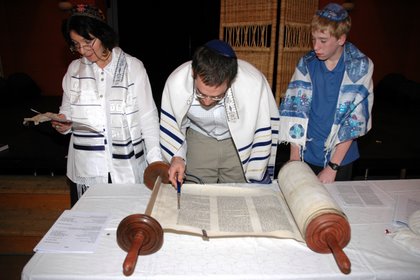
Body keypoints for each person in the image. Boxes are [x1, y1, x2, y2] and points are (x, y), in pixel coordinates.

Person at [52, 4, 162, 206]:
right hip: (88, 168)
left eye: (88, 42)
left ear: (103, 35)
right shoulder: (74, 70)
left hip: (125, 168)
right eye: (76, 45)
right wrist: (62, 123)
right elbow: (66, 110)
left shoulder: (132, 67)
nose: (83, 50)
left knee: (126, 224)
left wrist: (155, 160)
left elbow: (148, 117)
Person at [160, 39, 279, 187]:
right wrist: (177, 157)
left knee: (238, 196)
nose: (207, 102)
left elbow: (261, 129)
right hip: (199, 139)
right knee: (196, 194)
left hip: (238, 144)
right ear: (193, 73)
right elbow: (175, 126)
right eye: (201, 94)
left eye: (217, 96)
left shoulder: (253, 84)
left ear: (230, 81)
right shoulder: (176, 82)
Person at [278, 2, 374, 183]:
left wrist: (332, 167)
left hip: (340, 159)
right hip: (306, 154)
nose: (316, 47)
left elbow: (353, 121)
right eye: (313, 39)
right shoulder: (306, 64)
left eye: (323, 41)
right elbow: (293, 109)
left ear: (341, 39)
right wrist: (294, 158)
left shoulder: (360, 68)